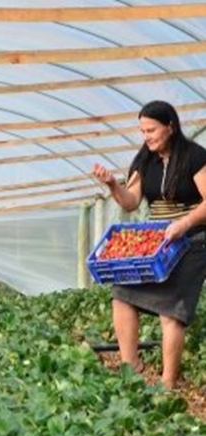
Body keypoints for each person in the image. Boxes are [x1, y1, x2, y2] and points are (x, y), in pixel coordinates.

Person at [92, 100, 206, 389]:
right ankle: (131, 367)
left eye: (151, 130)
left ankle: (167, 384)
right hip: (159, 244)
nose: (147, 137)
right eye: (143, 131)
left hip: (193, 240)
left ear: (170, 127)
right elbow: (130, 202)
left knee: (171, 310)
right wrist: (112, 185)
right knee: (122, 294)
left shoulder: (194, 156)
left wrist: (184, 224)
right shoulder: (145, 160)